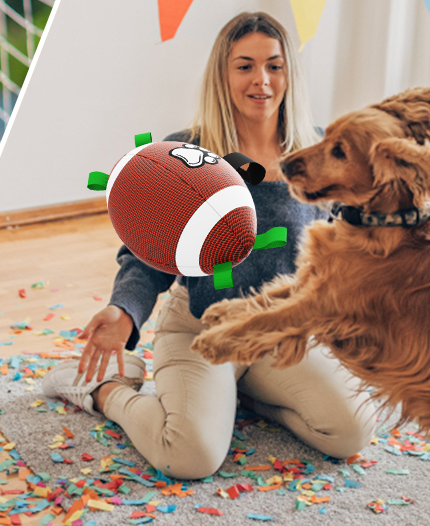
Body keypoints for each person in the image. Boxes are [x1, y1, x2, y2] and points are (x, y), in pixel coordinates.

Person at [41, 11, 377, 480]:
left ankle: (243, 397)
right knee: (190, 456)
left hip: (277, 331)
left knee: (351, 431)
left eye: (273, 65)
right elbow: (145, 254)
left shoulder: (320, 153)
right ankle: (106, 390)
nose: (261, 79)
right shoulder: (185, 151)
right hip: (201, 326)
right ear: (223, 74)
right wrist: (125, 310)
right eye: (244, 66)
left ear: (289, 73)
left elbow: (345, 244)